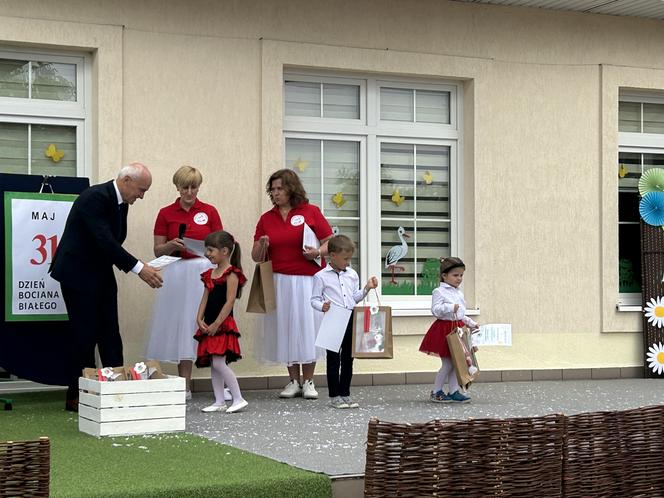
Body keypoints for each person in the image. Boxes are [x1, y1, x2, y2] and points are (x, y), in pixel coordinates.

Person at [50, 162, 163, 412]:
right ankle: (79, 396)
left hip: (100, 272)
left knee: (111, 332)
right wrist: (139, 268)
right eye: (141, 190)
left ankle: (116, 392)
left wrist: (137, 265)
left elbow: (113, 242)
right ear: (126, 181)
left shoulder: (122, 202)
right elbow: (104, 240)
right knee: (85, 335)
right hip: (77, 274)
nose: (142, 196)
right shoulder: (94, 197)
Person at [144, 165, 226, 401]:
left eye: (194, 187)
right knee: (183, 327)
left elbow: (222, 244)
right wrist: (172, 245)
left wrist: (210, 254)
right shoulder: (166, 212)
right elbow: (157, 249)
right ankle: (185, 386)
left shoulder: (209, 211)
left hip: (204, 270)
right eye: (185, 187)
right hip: (177, 273)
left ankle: (220, 385)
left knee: (209, 323)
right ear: (177, 187)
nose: (190, 192)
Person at [252, 169, 333, 399]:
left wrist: (317, 251)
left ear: (291, 189)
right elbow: (256, 256)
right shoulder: (266, 218)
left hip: (308, 280)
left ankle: (309, 381)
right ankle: (293, 380)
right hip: (279, 280)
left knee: (307, 328)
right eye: (273, 190)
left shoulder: (311, 212)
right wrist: (262, 243)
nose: (276, 194)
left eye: (280, 189)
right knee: (285, 328)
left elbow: (330, 242)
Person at [310, 235, 378, 409]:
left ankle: (345, 393)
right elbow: (314, 299)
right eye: (345, 258)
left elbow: (354, 297)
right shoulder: (320, 276)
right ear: (332, 255)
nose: (348, 262)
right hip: (332, 319)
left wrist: (366, 289)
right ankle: (334, 396)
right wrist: (322, 306)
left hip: (350, 317)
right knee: (333, 359)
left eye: (350, 259)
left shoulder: (352, 274)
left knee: (349, 358)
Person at [194, 230, 248, 413]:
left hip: (222, 324)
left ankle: (238, 398)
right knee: (214, 364)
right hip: (209, 324)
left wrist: (217, 323)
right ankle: (219, 401)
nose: (207, 254)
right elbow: (204, 298)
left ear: (224, 251)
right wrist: (199, 318)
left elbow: (230, 301)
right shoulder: (210, 274)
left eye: (210, 250)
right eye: (206, 250)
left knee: (219, 363)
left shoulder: (231, 274)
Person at [418, 257, 479, 403]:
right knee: (447, 364)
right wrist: (450, 307)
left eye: (461, 275)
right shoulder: (439, 291)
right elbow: (435, 310)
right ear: (444, 276)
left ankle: (453, 391)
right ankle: (436, 391)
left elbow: (461, 314)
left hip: (457, 329)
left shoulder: (458, 293)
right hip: (444, 330)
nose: (459, 278)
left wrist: (471, 323)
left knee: (457, 362)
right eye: (455, 275)